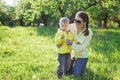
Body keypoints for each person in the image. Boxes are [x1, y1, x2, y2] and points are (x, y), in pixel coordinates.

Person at [67, 11, 93, 77]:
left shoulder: (89, 33)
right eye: (75, 20)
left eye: (78, 21)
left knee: (76, 74)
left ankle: (81, 65)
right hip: (71, 55)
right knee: (66, 71)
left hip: (81, 56)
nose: (75, 23)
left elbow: (81, 48)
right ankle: (75, 65)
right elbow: (61, 29)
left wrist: (72, 43)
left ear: (85, 22)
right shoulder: (70, 27)